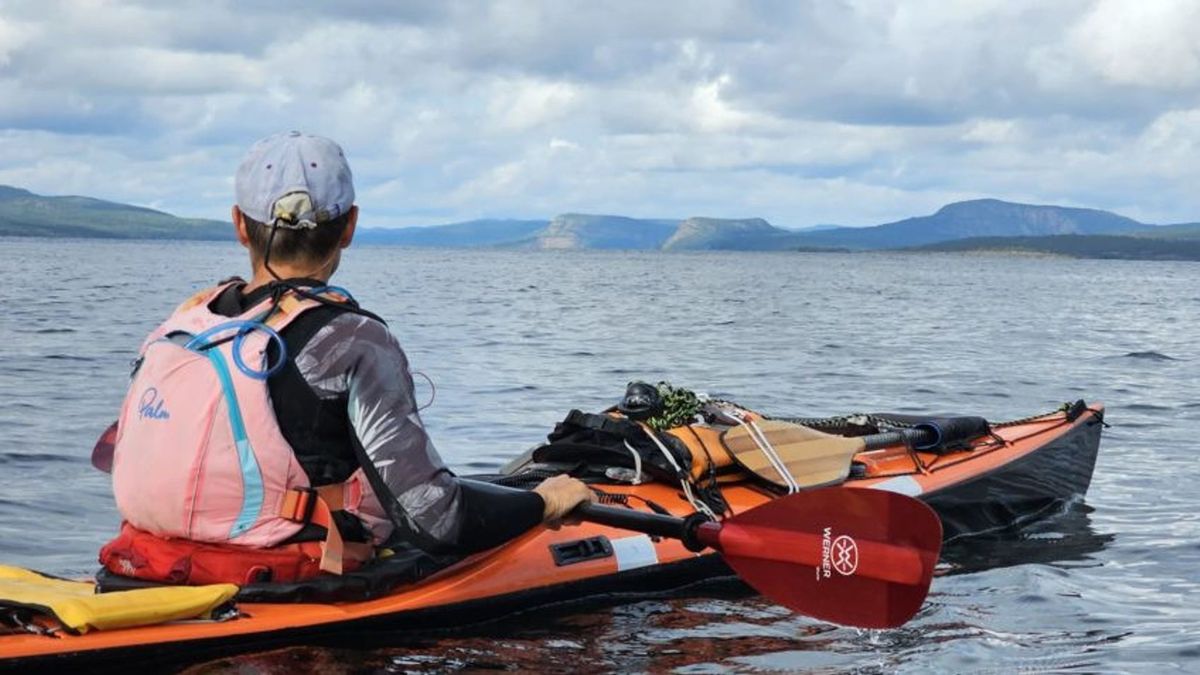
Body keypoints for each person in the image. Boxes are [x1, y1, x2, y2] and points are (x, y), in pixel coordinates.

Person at [99, 131, 593, 586]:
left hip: (142, 567)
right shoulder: (352, 339)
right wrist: (543, 502)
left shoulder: (188, 320)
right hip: (280, 579)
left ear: (239, 226)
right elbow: (436, 520)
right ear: (351, 225)